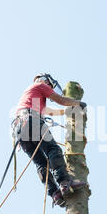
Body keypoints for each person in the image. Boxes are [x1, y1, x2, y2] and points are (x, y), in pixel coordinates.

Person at [12, 73, 86, 207]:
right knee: (53, 149)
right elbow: (61, 100)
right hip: (31, 120)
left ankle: (55, 194)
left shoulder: (31, 95)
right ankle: (64, 182)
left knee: (41, 163)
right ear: (46, 81)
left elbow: (50, 111)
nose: (50, 88)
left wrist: (66, 111)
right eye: (50, 86)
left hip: (19, 128)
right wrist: (78, 103)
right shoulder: (40, 85)